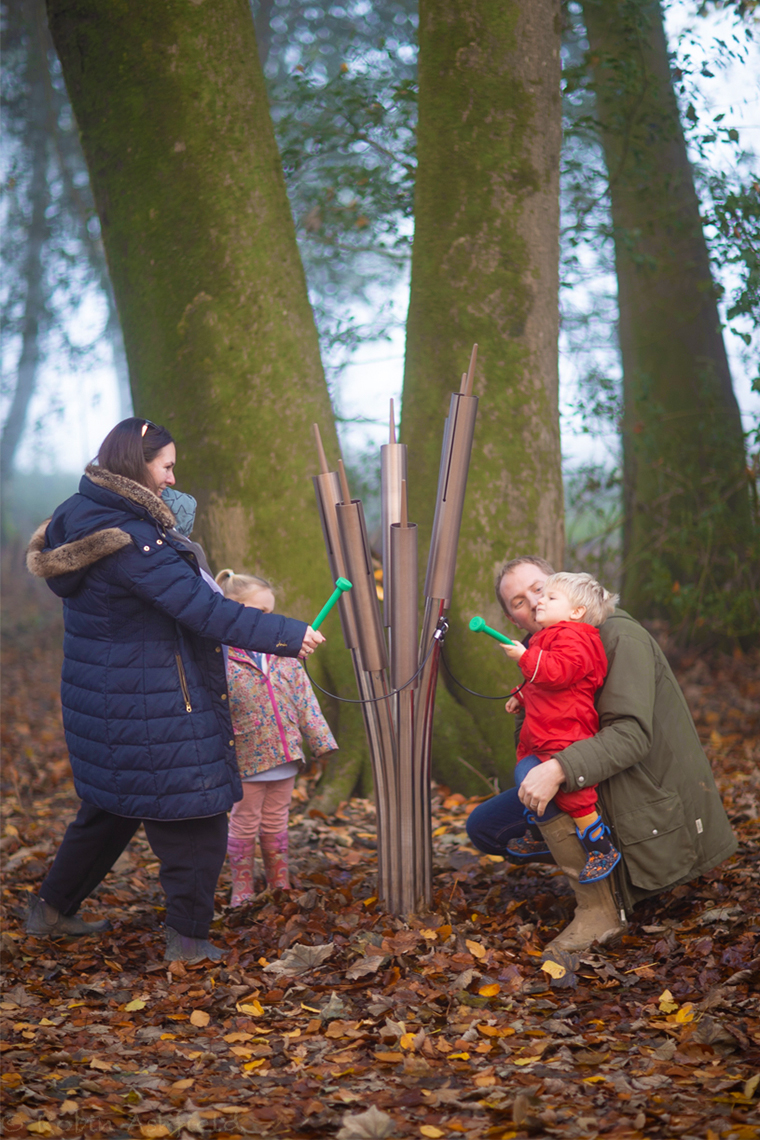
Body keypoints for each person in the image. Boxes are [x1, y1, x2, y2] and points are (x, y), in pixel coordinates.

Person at [24, 417, 325, 963]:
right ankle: (188, 941)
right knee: (195, 820)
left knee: (110, 810)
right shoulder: (131, 541)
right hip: (155, 705)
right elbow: (205, 610)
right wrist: (287, 634)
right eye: (165, 465)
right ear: (136, 464)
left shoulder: (82, 516)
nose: (171, 477)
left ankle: (49, 910)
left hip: (111, 703)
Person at [466, 555, 737, 954]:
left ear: (565, 590)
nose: (533, 601)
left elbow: (630, 736)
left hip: (638, 788)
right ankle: (591, 852)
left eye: (540, 588)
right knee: (486, 827)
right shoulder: (541, 648)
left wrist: (559, 768)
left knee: (538, 777)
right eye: (518, 601)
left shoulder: (615, 637)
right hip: (590, 775)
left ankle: (600, 906)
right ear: (514, 618)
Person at [215, 569, 338, 903]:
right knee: (244, 822)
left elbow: (304, 698)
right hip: (247, 756)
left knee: (276, 820)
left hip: (285, 756)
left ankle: (278, 883)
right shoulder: (222, 657)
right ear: (231, 610)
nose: (268, 621)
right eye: (260, 613)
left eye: (272, 613)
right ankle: (241, 888)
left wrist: (320, 740)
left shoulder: (284, 655)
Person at [502, 572, 621, 884]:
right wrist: (521, 695)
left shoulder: (576, 637)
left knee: (573, 794)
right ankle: (537, 833)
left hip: (566, 729)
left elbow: (558, 673)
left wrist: (524, 657)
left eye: (550, 598)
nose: (540, 602)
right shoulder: (552, 635)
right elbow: (545, 685)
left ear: (576, 612)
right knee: (527, 776)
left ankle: (600, 845)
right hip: (542, 728)